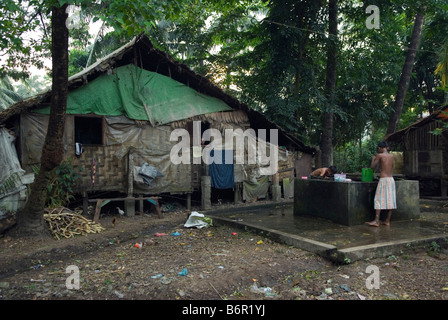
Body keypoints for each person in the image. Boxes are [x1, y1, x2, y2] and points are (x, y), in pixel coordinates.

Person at [366, 141, 396, 227]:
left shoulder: (380, 155)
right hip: (391, 179)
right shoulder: (391, 156)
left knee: (378, 199)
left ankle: (376, 221)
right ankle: (387, 221)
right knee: (390, 200)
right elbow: (391, 166)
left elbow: (372, 167)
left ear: (380, 148)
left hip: (383, 180)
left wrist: (373, 159)